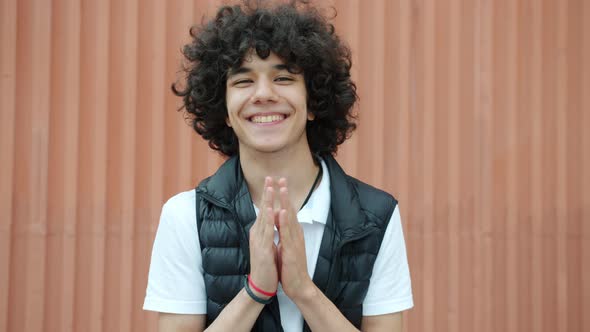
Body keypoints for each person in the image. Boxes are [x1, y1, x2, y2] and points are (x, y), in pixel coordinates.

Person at [143, 1, 413, 331]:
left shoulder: (376, 216)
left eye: (283, 77)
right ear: (225, 111)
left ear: (313, 102)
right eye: (243, 81)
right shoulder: (184, 216)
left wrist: (304, 291)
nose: (263, 94)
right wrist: (255, 292)